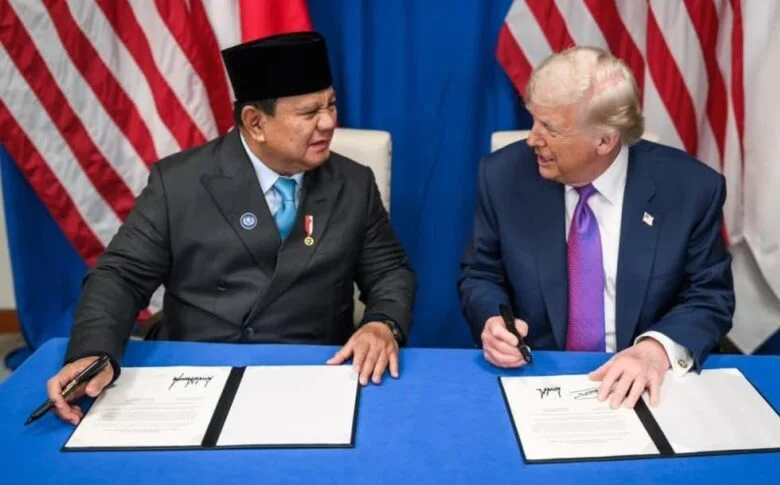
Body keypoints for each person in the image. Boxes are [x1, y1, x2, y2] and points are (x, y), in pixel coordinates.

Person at [46, 32, 416, 424]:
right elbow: (121, 275)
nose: (328, 123)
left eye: (331, 105)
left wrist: (382, 324)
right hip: (197, 371)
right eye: (309, 113)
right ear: (255, 123)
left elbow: (390, 272)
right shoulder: (180, 183)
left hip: (312, 369)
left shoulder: (353, 184)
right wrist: (92, 351)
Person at [458, 46, 734, 409]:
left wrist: (654, 350)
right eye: (534, 120)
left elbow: (710, 296)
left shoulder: (690, 190)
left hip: (647, 386)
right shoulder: (503, 178)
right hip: (537, 382)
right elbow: (481, 274)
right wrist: (494, 321)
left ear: (604, 140)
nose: (532, 139)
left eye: (550, 128)